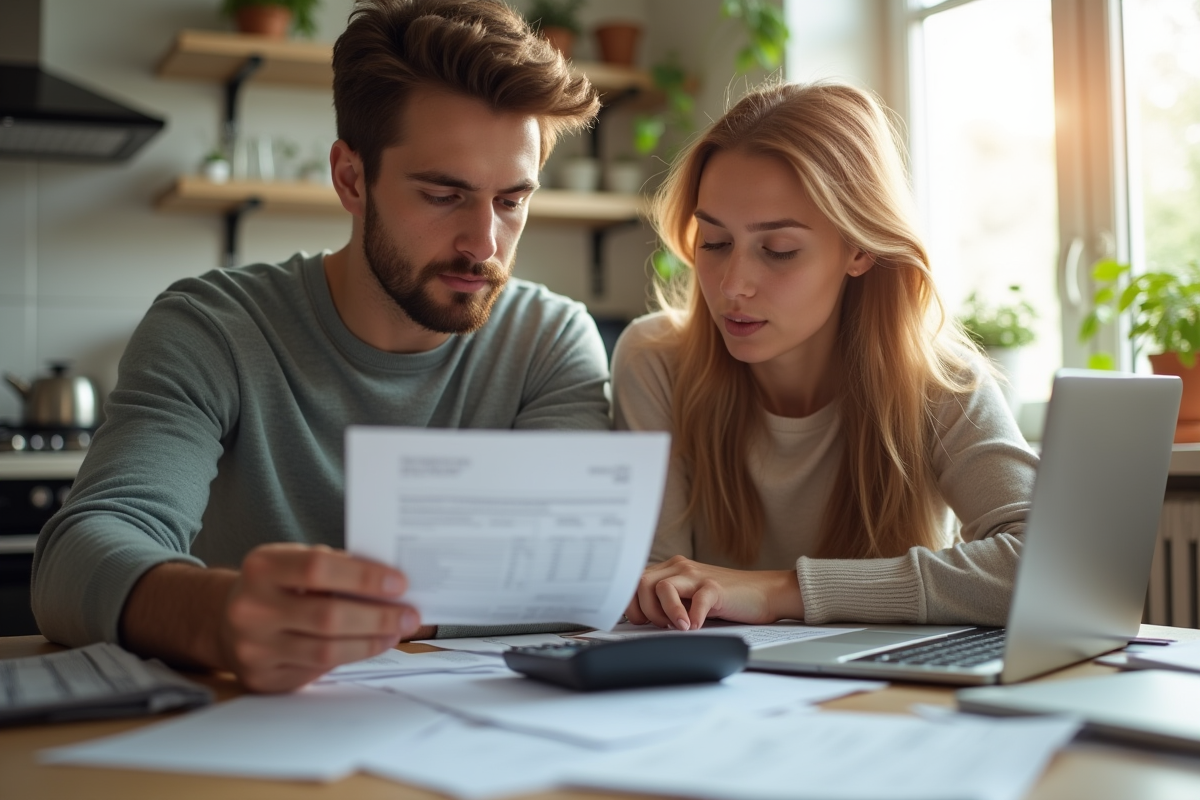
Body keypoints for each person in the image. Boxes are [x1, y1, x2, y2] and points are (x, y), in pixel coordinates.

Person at [32, 0, 608, 693]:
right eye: (442, 194)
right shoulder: (213, 326)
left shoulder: (549, 341)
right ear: (351, 179)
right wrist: (214, 616)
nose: (484, 243)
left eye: (512, 200)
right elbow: (75, 556)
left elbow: (569, 579)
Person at [613, 81, 1037, 633]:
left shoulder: (940, 383)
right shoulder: (655, 362)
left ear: (859, 248)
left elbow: (1050, 565)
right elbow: (658, 595)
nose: (732, 285)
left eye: (779, 250)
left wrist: (780, 592)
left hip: (887, 693)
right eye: (714, 243)